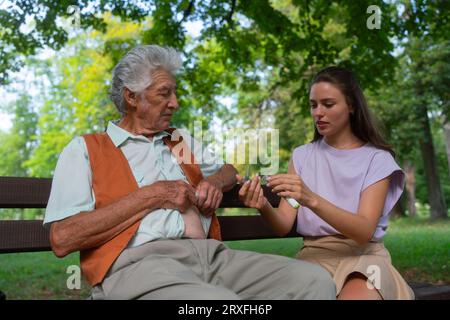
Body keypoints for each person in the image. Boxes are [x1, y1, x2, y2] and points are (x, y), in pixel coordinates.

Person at [43, 45, 335, 300]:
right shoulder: (86, 149)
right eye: (164, 93)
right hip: (140, 266)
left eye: (174, 92)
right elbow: (63, 238)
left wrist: (214, 182)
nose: (175, 102)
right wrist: (156, 194)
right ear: (132, 98)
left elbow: (229, 171)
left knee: (313, 281)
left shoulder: (177, 141)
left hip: (211, 258)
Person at [238, 66, 415, 300]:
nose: (318, 113)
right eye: (313, 105)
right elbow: (283, 224)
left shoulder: (377, 160)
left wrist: (311, 199)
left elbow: (363, 231)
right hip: (313, 260)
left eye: (328, 104)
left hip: (365, 261)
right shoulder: (302, 157)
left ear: (351, 106)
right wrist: (262, 205)